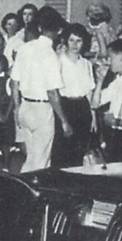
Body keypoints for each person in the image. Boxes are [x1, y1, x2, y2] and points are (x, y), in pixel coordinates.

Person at [11, 6, 71, 172]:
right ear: (59, 30)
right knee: (40, 163)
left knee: (30, 158)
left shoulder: (25, 48)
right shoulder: (50, 55)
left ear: (39, 27)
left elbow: (14, 82)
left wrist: (17, 107)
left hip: (25, 107)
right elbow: (52, 93)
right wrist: (64, 120)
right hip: (42, 111)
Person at [51, 24, 96, 168]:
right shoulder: (58, 61)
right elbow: (54, 91)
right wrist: (63, 119)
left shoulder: (86, 64)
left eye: (79, 41)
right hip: (65, 106)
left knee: (80, 151)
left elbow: (89, 93)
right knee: (62, 151)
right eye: (71, 40)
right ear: (65, 41)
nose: (75, 45)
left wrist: (93, 117)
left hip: (83, 107)